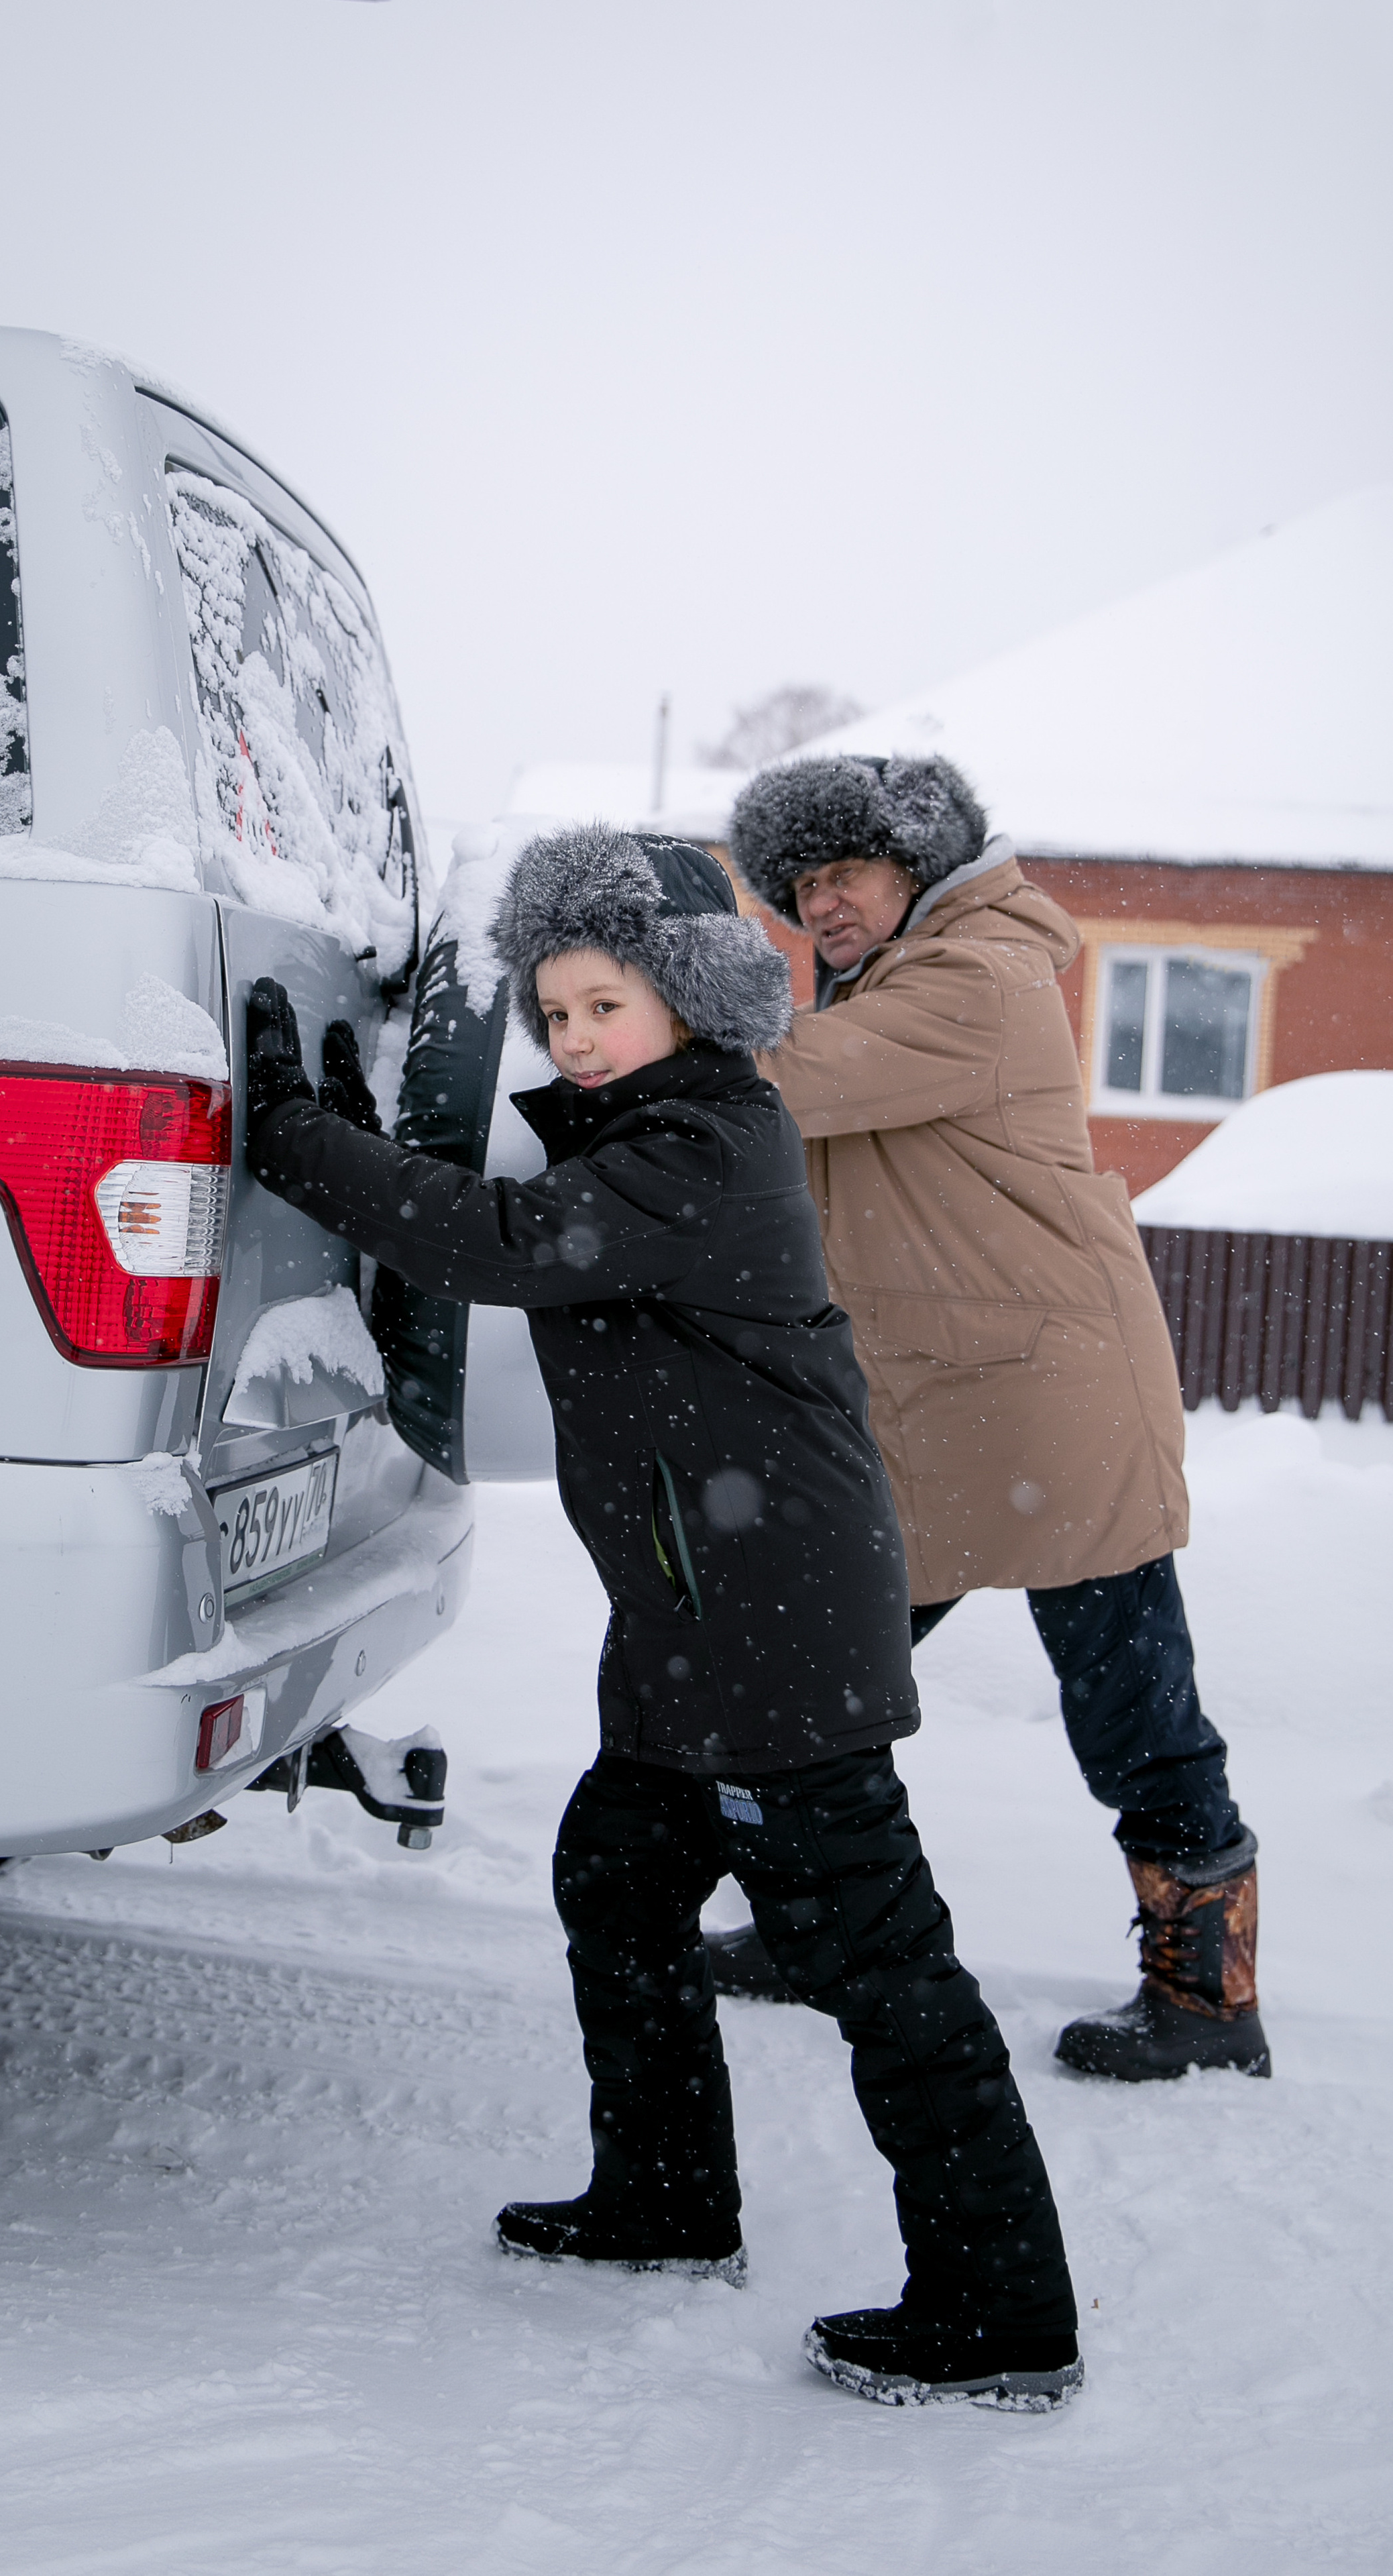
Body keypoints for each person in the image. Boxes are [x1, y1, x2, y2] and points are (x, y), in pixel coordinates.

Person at [239, 822, 1082, 2412]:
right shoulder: (644, 1137)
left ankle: (998, 2306)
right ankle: (666, 2201)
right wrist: (347, 1119)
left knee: (878, 1966)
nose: (569, 1039)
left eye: (600, 1006)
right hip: (698, 1623)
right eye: (550, 1013)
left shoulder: (704, 1148)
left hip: (771, 1634)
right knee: (616, 1882)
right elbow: (469, 1202)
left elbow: (488, 1242)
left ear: (687, 998)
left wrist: (283, 1129)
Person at [722, 753, 1266, 2083]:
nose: (821, 905)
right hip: (943, 1414)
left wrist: (626, 1015)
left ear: (914, 864)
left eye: (842, 873)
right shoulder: (899, 981)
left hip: (1047, 1412)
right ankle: (814, 1931)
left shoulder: (974, 977)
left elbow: (777, 1082)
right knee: (811, 1683)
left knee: (1130, 1703)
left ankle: (1204, 2000)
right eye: (798, 887)